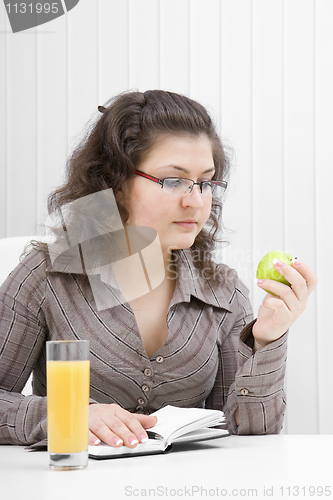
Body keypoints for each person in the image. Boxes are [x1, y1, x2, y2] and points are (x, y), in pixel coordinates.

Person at [0, 90, 317, 449]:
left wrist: (267, 338)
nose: (195, 201)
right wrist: (67, 414)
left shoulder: (223, 289)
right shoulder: (47, 274)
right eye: (173, 180)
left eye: (205, 182)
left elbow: (246, 430)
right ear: (116, 182)